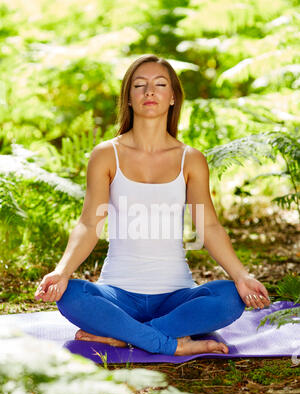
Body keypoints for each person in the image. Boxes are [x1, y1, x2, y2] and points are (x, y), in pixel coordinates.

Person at [34, 54, 271, 356]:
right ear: (128, 98)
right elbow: (88, 224)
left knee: (229, 297)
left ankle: (122, 336)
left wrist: (242, 276)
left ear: (172, 97)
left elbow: (208, 226)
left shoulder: (191, 159)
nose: (149, 91)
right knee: (70, 294)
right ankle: (167, 341)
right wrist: (61, 271)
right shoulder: (106, 155)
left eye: (160, 84)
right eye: (139, 85)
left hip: (176, 296)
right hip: (117, 295)